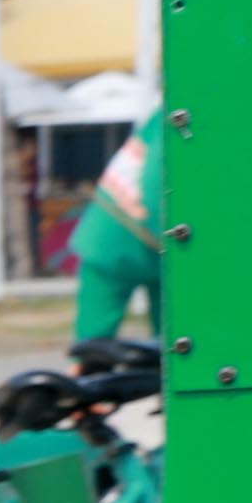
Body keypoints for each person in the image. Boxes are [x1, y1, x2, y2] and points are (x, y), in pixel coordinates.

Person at [72, 114, 163, 343]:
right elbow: (155, 182)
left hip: (109, 232)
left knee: (172, 337)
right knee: (94, 341)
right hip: (120, 235)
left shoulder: (162, 115)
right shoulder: (168, 118)